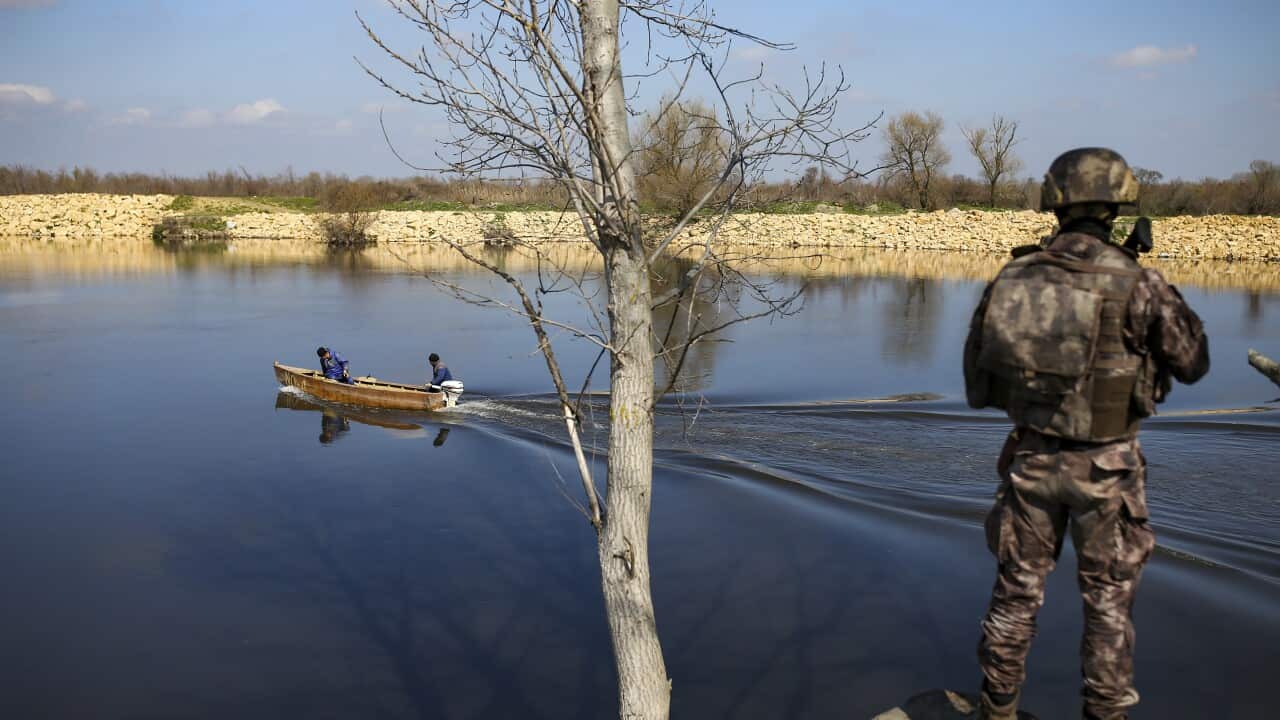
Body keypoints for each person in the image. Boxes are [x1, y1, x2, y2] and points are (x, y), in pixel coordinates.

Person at [963, 148, 1209, 720]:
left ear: (1055, 202)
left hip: (1030, 461)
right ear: (1116, 204)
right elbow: (1194, 361)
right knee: (1107, 605)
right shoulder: (1136, 281)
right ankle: (1104, 712)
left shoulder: (1014, 274)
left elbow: (978, 383)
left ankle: (996, 709)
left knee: (1015, 596)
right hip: (1108, 469)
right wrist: (1145, 276)